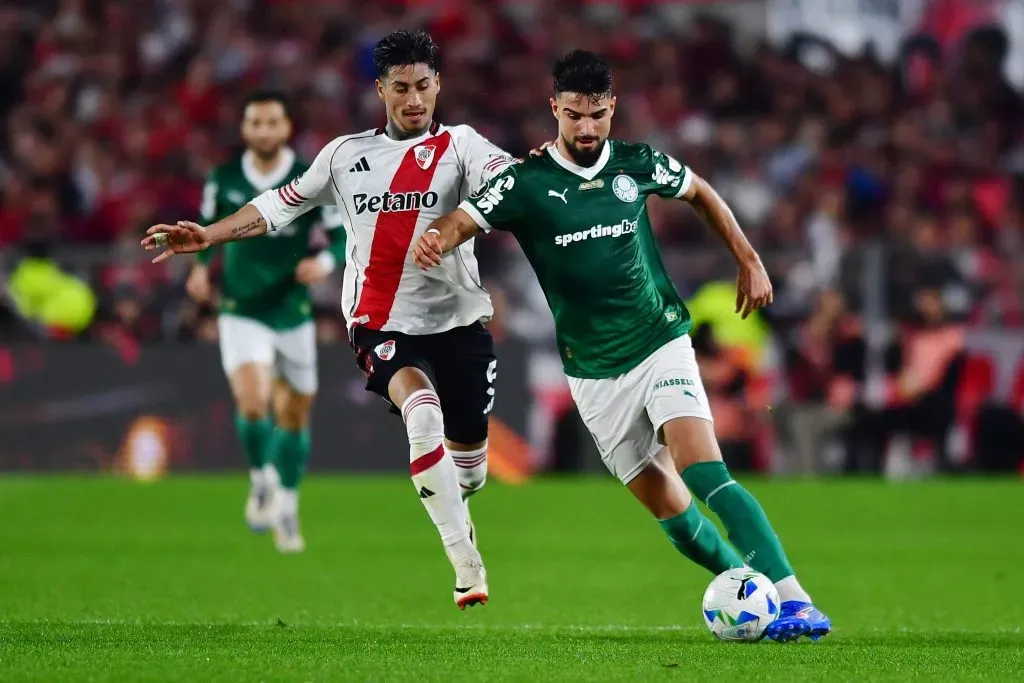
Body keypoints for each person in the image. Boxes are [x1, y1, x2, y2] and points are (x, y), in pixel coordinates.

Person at [412, 49, 832, 641]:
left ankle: (795, 600)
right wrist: (436, 237)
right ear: (554, 108)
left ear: (613, 107)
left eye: (597, 114)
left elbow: (700, 190)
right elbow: (462, 220)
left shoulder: (637, 162)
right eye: (574, 115)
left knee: (703, 470)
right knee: (671, 511)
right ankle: (745, 588)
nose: (587, 127)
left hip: (660, 342)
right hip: (593, 373)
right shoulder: (525, 183)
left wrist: (749, 258)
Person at [142, 30, 516, 609]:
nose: (414, 99)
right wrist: (209, 235)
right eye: (400, 88)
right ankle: (466, 563)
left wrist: (478, 210)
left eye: (423, 86)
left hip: (459, 323)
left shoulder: (462, 146)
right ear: (380, 90)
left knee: (469, 474)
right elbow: (279, 204)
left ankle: (456, 503)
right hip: (381, 323)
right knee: (421, 413)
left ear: (439, 84)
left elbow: (510, 183)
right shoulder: (344, 157)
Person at [186, 90, 346, 553]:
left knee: (293, 414)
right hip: (241, 308)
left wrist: (325, 262)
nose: (264, 130)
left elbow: (341, 236)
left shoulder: (309, 177)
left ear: (286, 127)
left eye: (272, 121)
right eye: (255, 122)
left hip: (292, 310)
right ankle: (261, 480)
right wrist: (200, 270)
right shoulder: (224, 178)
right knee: (254, 402)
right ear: (244, 129)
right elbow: (206, 230)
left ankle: (288, 505)